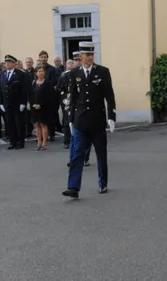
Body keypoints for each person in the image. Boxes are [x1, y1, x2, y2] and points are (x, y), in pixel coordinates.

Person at [62, 42, 116, 198]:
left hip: (97, 120)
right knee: (77, 154)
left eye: (92, 54)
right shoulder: (74, 74)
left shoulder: (103, 72)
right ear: (81, 57)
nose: (90, 57)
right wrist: (71, 119)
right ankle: (73, 187)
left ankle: (102, 183)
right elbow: (72, 98)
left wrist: (111, 116)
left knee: (101, 153)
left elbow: (109, 96)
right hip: (80, 121)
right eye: (87, 55)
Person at [67, 51, 93, 167]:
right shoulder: (70, 74)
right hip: (76, 110)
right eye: (76, 60)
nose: (77, 62)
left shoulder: (89, 73)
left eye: (79, 60)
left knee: (87, 139)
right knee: (74, 138)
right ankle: (73, 158)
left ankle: (85, 157)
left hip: (87, 110)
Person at [0, 55, 28, 150]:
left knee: (19, 124)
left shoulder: (20, 74)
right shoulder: (2, 74)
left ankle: (20, 142)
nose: (7, 64)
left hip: (17, 103)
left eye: (9, 62)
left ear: (14, 63)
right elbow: (0, 89)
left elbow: (24, 89)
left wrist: (23, 103)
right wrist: (1, 102)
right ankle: (13, 142)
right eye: (6, 62)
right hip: (7, 104)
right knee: (10, 124)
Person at [31, 66, 53, 150]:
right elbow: (31, 95)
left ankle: (44, 143)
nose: (41, 73)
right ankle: (39, 142)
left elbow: (49, 96)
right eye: (39, 71)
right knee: (37, 125)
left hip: (44, 107)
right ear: (36, 73)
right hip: (34, 107)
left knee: (43, 124)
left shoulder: (48, 83)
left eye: (42, 71)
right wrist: (33, 104)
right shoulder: (33, 83)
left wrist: (41, 104)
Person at [57, 59, 75, 149]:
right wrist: (64, 96)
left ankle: (75, 139)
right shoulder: (63, 75)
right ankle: (66, 141)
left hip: (75, 101)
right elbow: (59, 87)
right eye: (69, 64)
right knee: (66, 121)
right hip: (66, 101)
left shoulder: (76, 74)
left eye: (72, 63)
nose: (70, 65)